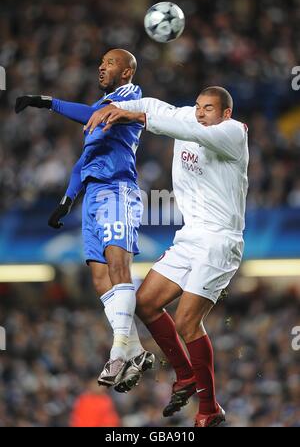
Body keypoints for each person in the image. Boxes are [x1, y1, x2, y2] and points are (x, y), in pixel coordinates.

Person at [84, 87, 249, 427]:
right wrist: (116, 106)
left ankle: (208, 409)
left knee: (188, 321)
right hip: (190, 235)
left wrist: (138, 117)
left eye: (210, 109)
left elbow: (182, 129)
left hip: (220, 239)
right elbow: (149, 104)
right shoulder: (187, 116)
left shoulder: (233, 133)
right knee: (145, 302)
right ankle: (185, 376)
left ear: (226, 114)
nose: (201, 114)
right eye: (199, 107)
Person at [15, 49, 154, 391]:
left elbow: (97, 114)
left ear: (127, 72)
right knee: (98, 278)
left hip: (116, 189)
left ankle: (119, 349)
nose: (101, 66)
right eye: (101, 62)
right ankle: (135, 350)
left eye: (110, 62)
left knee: (118, 265)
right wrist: (66, 200)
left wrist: (47, 102)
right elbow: (83, 161)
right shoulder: (101, 110)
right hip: (92, 195)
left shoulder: (129, 98)